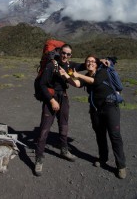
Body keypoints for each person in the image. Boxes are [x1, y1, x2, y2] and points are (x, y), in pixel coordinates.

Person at [59, 55, 126, 179]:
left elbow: (95, 82)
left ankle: (121, 165)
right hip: (95, 109)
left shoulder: (103, 72)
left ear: (96, 64)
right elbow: (77, 83)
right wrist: (65, 75)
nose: (89, 63)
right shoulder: (87, 75)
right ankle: (103, 158)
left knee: (114, 135)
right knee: (100, 135)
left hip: (110, 107)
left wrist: (78, 74)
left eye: (92, 61)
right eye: (87, 61)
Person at [34, 44, 85, 176]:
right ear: (59, 52)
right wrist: (51, 100)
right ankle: (38, 158)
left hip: (64, 98)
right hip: (51, 98)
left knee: (64, 126)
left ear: (70, 56)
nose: (65, 56)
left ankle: (64, 150)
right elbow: (42, 84)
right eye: (63, 53)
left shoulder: (69, 65)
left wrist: (98, 61)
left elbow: (84, 65)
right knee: (44, 129)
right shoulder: (52, 65)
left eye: (68, 54)